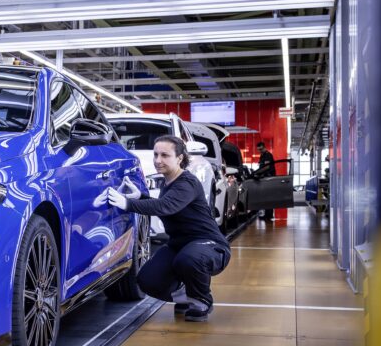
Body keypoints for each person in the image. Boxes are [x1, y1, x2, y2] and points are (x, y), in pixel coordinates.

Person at [100, 135, 231, 322]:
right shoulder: (168, 182)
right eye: (156, 154)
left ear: (179, 158)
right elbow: (166, 206)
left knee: (189, 259)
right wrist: (140, 197)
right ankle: (187, 295)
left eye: (165, 155)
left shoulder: (187, 183)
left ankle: (201, 300)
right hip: (179, 246)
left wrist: (128, 203)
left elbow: (165, 206)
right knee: (146, 280)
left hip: (210, 245)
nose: (158, 160)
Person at [256, 141, 276, 221]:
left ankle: (269, 215)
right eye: (258, 150)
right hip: (265, 179)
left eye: (261, 149)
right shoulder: (262, 156)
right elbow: (261, 166)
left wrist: (258, 172)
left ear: (264, 147)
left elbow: (267, 167)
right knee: (266, 197)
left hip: (269, 179)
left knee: (269, 197)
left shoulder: (268, 155)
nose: (260, 151)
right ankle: (267, 215)